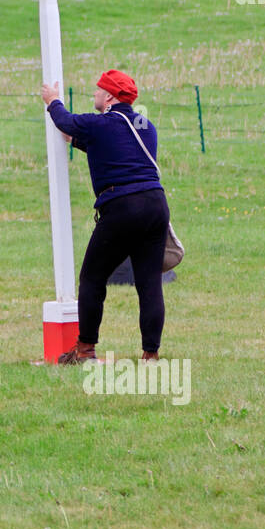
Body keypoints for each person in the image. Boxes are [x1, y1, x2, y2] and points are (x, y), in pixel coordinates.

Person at [41, 70, 170, 363]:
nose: (95, 94)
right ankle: (151, 354)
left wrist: (52, 101)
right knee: (149, 283)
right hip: (155, 204)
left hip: (122, 207)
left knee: (92, 279)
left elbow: (66, 121)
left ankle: (85, 349)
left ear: (110, 96)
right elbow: (101, 143)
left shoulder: (99, 124)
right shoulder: (146, 126)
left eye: (99, 90)